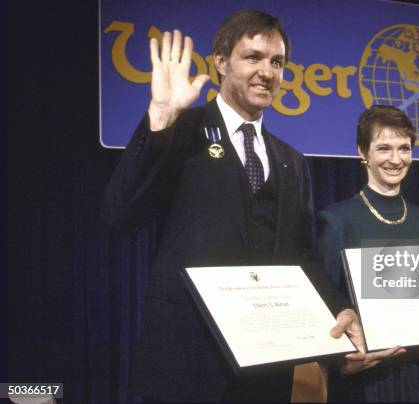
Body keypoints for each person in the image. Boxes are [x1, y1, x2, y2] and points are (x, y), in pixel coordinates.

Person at [102, 10, 363, 403]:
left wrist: (338, 307)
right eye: (253, 57)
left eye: (276, 62)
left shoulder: (292, 161)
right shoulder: (181, 130)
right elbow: (119, 214)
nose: (267, 71)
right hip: (187, 361)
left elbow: (300, 257)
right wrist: (160, 118)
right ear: (221, 62)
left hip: (265, 366)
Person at [316, 105, 419, 402]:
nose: (396, 159)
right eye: (384, 148)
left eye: (404, 148)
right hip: (367, 380)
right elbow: (326, 303)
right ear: (362, 152)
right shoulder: (338, 220)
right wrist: (341, 361)